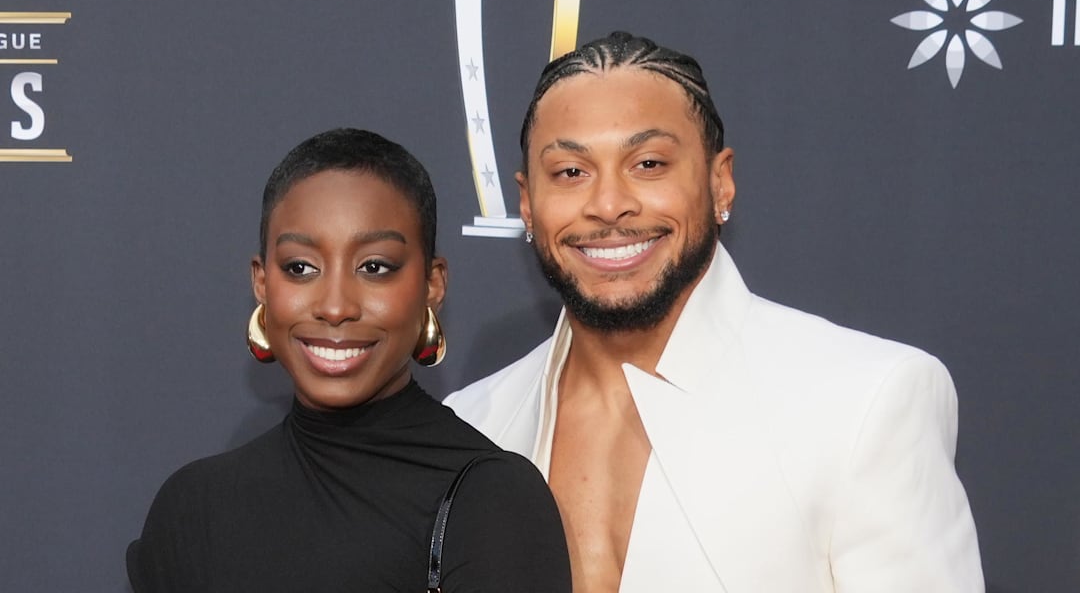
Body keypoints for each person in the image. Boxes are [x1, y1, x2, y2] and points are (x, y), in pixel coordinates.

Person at [445, 32, 983, 592]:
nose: (608, 205)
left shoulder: (866, 401)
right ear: (527, 202)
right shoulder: (474, 423)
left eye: (648, 163)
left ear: (719, 181)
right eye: (570, 172)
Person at [127, 128, 571, 592]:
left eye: (374, 267)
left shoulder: (492, 502)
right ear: (262, 282)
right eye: (301, 268)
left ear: (432, 285)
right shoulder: (193, 507)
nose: (336, 306)